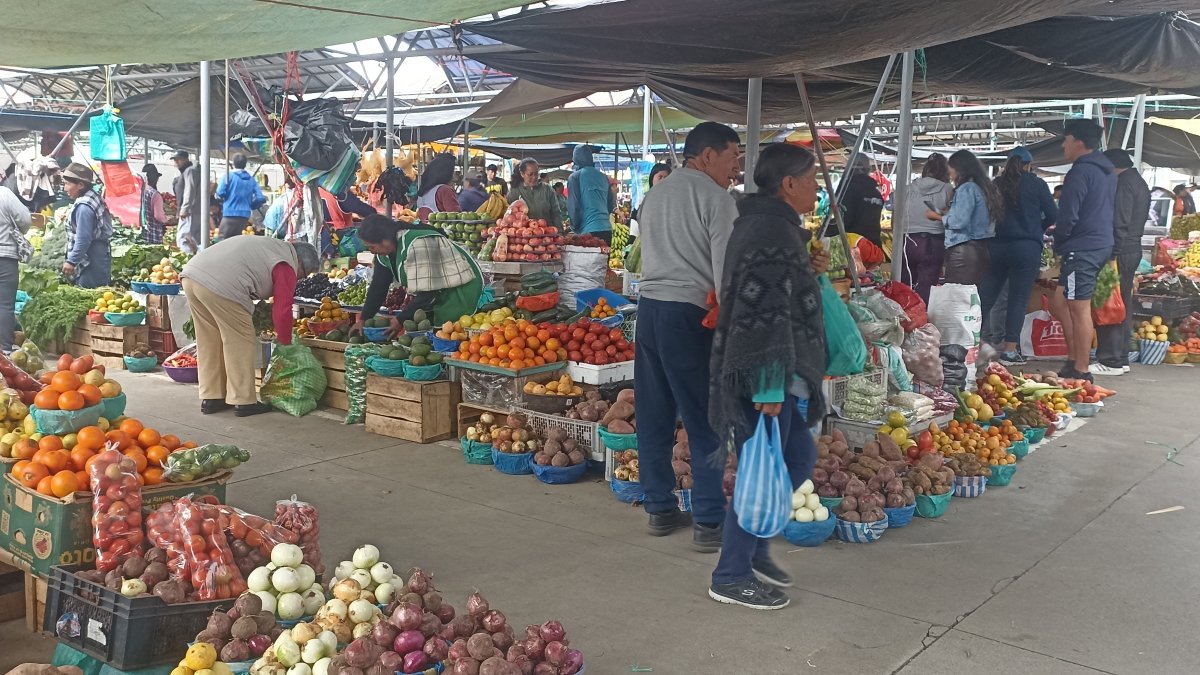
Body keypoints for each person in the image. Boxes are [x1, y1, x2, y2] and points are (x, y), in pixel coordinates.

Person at [707, 143, 828, 610]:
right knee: (761, 473)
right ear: (789, 184)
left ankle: (754, 548)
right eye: (811, 180)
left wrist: (808, 268)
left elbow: (781, 292)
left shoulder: (771, 226)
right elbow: (766, 312)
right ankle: (730, 575)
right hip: (765, 378)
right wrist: (771, 384)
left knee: (797, 456)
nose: (817, 189)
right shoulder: (769, 229)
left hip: (772, 373)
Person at [634, 122, 741, 552]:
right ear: (708, 155)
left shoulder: (655, 195)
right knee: (704, 418)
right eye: (733, 156)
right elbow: (727, 273)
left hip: (649, 312)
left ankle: (660, 508)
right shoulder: (717, 199)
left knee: (654, 413)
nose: (736, 167)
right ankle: (710, 521)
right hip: (690, 315)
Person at [181, 239, 320, 417]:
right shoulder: (286, 264)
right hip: (221, 285)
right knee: (240, 340)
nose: (300, 279)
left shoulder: (274, 247)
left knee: (209, 340)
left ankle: (212, 397)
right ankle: (243, 401)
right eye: (303, 274)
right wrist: (285, 341)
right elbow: (282, 308)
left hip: (191, 276)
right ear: (299, 262)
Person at [1049, 119, 1116, 382]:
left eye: (1065, 140)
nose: (1063, 146)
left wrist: (1060, 240)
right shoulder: (1106, 171)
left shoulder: (1080, 172)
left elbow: (1068, 215)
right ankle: (1073, 358)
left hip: (1082, 247)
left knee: (1079, 308)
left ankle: (1082, 368)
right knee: (1059, 301)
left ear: (1078, 141)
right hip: (1099, 243)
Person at [979, 147, 1057, 366]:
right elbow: (1053, 214)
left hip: (997, 246)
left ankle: (973, 343)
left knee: (986, 296)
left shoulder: (996, 184)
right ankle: (1010, 352)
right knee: (1018, 299)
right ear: (1028, 165)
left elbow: (985, 214)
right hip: (1026, 248)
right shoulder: (1037, 184)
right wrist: (1036, 228)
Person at [350, 214, 484, 335]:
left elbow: (428, 291)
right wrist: (363, 319)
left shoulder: (417, 243)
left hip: (462, 291)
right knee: (437, 332)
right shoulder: (384, 254)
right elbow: (378, 287)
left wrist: (402, 319)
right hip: (439, 293)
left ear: (385, 240)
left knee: (453, 334)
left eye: (372, 247)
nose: (371, 251)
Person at [1092, 149, 1151, 376]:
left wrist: (1111, 255)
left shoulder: (1124, 183)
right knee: (1121, 303)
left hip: (1120, 251)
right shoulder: (1138, 181)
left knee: (1109, 303)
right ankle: (1121, 357)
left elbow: (1120, 222)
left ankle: (1110, 360)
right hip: (1131, 249)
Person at [926, 149, 1001, 285]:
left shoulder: (967, 188)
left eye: (951, 170)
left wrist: (936, 216)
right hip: (981, 249)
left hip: (963, 252)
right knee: (970, 293)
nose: (950, 175)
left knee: (957, 294)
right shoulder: (982, 188)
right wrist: (947, 213)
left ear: (959, 169)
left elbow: (959, 221)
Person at [899, 153, 954, 303]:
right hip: (932, 242)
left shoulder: (907, 189)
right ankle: (922, 315)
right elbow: (953, 217)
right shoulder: (948, 190)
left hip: (906, 241)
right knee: (926, 287)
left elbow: (896, 215)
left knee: (904, 285)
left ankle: (904, 314)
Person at [60, 163, 113, 288]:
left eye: (67, 184)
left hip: (91, 259)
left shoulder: (84, 208)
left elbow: (83, 238)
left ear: (81, 185)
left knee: (90, 293)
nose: (65, 189)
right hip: (98, 255)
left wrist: (71, 261)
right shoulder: (91, 197)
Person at [0, 184, 31, 351]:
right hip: (5, 257)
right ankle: (4, 350)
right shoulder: (4, 194)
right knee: (4, 305)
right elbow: (25, 219)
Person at [567, 145, 616, 244]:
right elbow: (610, 205)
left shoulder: (575, 177)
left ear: (575, 160)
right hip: (607, 229)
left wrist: (574, 227)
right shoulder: (603, 177)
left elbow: (574, 206)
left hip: (588, 232)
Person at [215, 154, 267, 240]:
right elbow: (260, 198)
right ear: (245, 164)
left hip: (230, 213)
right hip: (244, 216)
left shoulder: (228, 176)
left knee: (222, 239)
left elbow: (220, 193)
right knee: (236, 240)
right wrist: (251, 206)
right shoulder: (251, 179)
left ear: (234, 163)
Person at [838, 155, 885, 246]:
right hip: (874, 244)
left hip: (854, 244)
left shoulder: (848, 189)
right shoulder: (876, 192)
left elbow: (844, 220)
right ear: (868, 170)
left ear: (851, 169)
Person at [507, 159, 563, 230]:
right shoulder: (515, 191)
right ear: (522, 174)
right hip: (524, 234)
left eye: (536, 174)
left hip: (547, 233)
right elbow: (510, 216)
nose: (534, 177)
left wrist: (559, 231)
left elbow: (556, 213)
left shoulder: (547, 189)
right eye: (530, 174)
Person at [414, 154, 461, 220]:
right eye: (453, 170)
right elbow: (456, 215)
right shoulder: (444, 190)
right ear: (446, 172)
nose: (454, 173)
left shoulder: (424, 190)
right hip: (440, 226)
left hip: (423, 225)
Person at [172, 150, 201, 253]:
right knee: (194, 238)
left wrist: (184, 209)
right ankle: (197, 257)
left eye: (178, 160)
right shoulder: (189, 171)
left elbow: (190, 190)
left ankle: (187, 258)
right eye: (175, 160)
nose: (176, 162)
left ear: (185, 159)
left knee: (184, 238)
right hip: (193, 210)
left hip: (190, 211)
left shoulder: (190, 171)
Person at [139, 164, 168, 244]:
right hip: (153, 234)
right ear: (156, 179)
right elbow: (159, 216)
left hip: (141, 234)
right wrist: (166, 219)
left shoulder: (139, 192)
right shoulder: (155, 194)